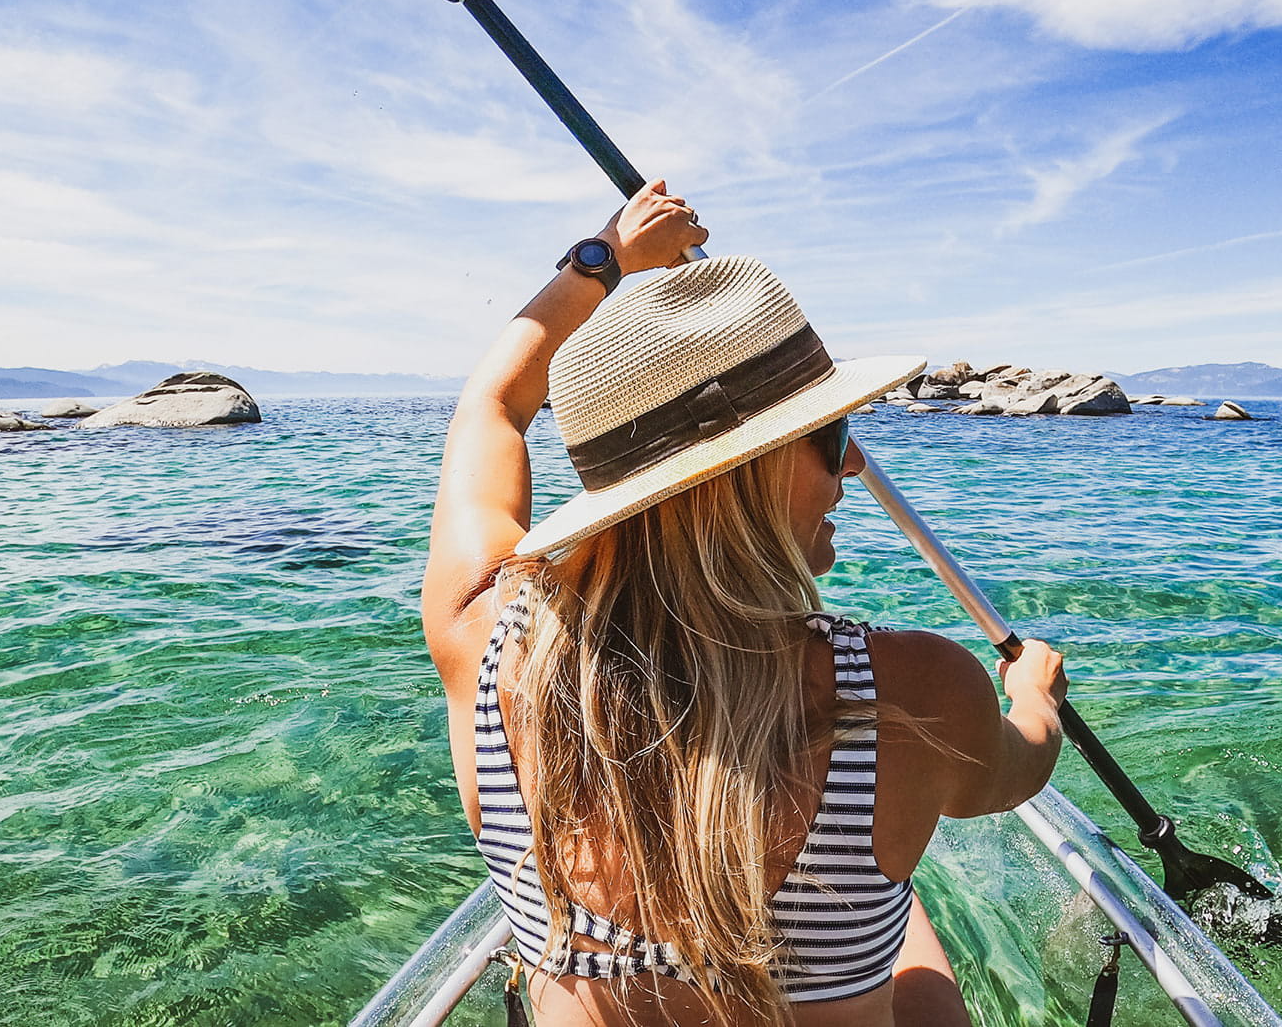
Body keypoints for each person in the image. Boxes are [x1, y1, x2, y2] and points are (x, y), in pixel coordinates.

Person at [424, 181, 1069, 1025]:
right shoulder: (913, 690)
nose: (848, 471)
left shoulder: (480, 636)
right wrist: (1032, 696)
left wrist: (605, 257)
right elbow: (1015, 773)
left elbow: (494, 405)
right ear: (751, 474)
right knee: (906, 924)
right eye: (833, 437)